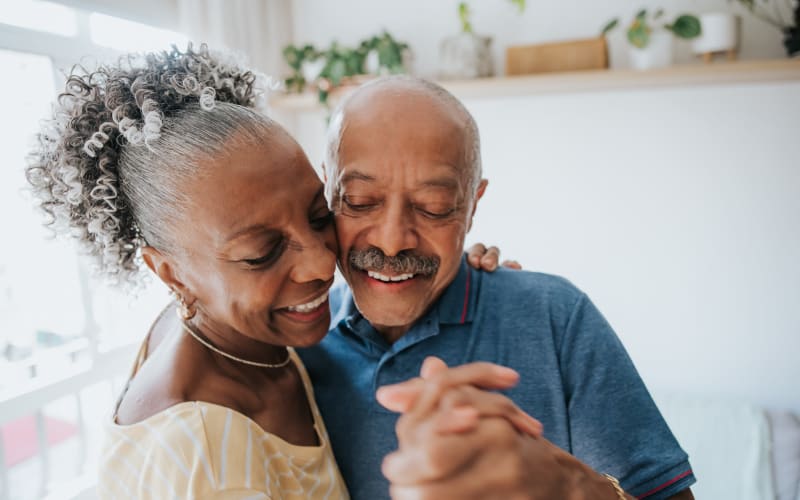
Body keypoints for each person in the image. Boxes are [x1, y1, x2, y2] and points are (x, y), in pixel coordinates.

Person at [24, 45, 532, 499]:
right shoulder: (208, 461)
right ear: (172, 274)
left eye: (319, 216)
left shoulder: (234, 330)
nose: (320, 265)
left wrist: (441, 263)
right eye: (262, 252)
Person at [297, 75, 697, 499]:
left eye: (434, 209)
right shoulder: (296, 348)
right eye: (359, 201)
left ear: (472, 206)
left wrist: (569, 485)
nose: (392, 241)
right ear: (328, 190)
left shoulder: (555, 317)